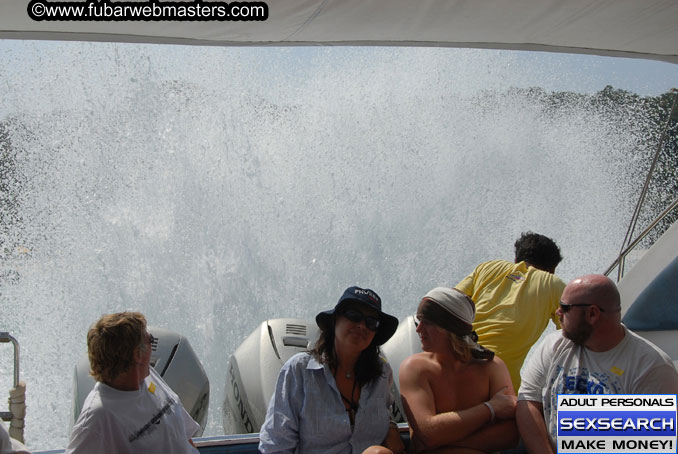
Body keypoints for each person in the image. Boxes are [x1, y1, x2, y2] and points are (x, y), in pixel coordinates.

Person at [517, 274, 678, 454]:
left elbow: (653, 444)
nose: (557, 312)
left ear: (592, 313)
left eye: (565, 307)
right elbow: (528, 403)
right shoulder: (554, 345)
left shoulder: (651, 367)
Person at [259, 286, 405, 454]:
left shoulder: (382, 373)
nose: (362, 326)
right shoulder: (299, 370)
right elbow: (276, 444)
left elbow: (384, 410)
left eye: (371, 322)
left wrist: (392, 427)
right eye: (354, 316)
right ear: (335, 320)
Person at [399, 287, 519, 453]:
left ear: (451, 329)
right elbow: (428, 433)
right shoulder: (414, 368)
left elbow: (511, 434)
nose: (419, 329)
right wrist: (491, 408)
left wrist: (447, 445)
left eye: (428, 323)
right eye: (419, 321)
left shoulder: (492, 367)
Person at [66, 312, 200, 454]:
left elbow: (184, 436)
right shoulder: (97, 417)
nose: (153, 345)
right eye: (151, 340)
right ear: (137, 355)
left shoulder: (149, 376)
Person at [455, 231, 565, 392]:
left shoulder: (488, 268)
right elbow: (576, 334)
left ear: (516, 260)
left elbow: (450, 300)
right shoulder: (553, 284)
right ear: (553, 269)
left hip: (452, 367)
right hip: (500, 383)